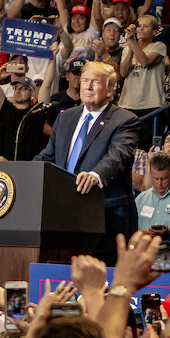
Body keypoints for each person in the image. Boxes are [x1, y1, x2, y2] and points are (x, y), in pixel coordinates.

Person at [35, 61, 138, 260]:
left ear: (109, 90)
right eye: (84, 81)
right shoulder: (65, 118)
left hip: (106, 216)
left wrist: (95, 174)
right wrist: (22, 171)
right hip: (64, 215)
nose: (88, 87)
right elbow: (49, 157)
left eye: (95, 83)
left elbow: (119, 155)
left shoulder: (125, 120)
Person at [134, 152, 170, 240]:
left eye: (164, 179)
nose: (159, 183)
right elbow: (131, 231)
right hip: (145, 247)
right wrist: (144, 232)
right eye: (155, 179)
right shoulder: (140, 199)